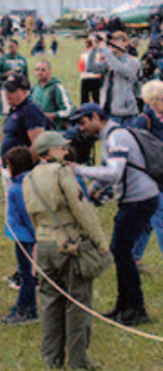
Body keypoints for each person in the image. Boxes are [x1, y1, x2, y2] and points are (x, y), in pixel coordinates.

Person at [68, 103, 160, 326]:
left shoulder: (117, 137)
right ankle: (124, 306)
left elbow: (115, 173)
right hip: (135, 199)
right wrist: (93, 189)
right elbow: (111, 169)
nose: (82, 128)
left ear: (96, 117)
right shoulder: (111, 135)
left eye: (84, 122)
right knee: (121, 252)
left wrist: (78, 170)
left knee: (121, 251)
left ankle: (136, 309)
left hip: (140, 200)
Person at [24, 131, 110, 370]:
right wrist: (101, 244)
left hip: (44, 245)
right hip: (69, 245)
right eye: (61, 148)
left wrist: (37, 247)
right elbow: (83, 211)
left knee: (50, 304)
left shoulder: (28, 178)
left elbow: (33, 217)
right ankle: (78, 361)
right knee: (78, 304)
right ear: (50, 151)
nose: (66, 151)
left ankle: (51, 359)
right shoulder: (63, 173)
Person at [1, 146, 38, 327]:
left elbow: (27, 214)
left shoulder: (18, 189)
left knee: (26, 274)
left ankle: (27, 308)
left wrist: (35, 237)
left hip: (26, 238)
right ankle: (22, 304)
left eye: (8, 165)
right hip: (21, 236)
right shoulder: (25, 183)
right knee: (24, 273)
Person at [132, 80, 163, 266]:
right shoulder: (144, 121)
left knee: (146, 223)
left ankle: (133, 258)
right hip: (150, 180)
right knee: (160, 220)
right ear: (153, 101)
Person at [88, 31, 139, 126]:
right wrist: (95, 48)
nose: (112, 42)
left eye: (116, 39)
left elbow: (123, 70)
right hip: (107, 110)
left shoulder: (133, 61)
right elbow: (91, 68)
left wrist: (106, 51)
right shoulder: (110, 61)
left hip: (125, 113)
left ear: (125, 42)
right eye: (111, 40)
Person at [32, 60, 74, 130]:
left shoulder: (57, 87)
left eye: (43, 70)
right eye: (37, 70)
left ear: (50, 71)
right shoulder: (34, 88)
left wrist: (52, 115)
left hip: (54, 130)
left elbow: (68, 110)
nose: (40, 72)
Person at [78, 36, 103, 105]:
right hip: (96, 77)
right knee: (96, 98)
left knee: (84, 99)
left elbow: (81, 67)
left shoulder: (84, 54)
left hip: (85, 77)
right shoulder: (98, 54)